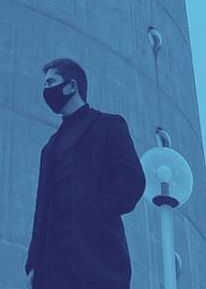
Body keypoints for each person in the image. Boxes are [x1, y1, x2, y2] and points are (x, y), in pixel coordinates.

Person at [25, 59, 145, 289]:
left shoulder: (108, 125)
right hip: (54, 266)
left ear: (71, 86)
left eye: (51, 82)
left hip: (98, 258)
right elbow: (42, 207)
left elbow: (132, 178)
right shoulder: (50, 147)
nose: (46, 90)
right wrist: (33, 263)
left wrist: (99, 214)